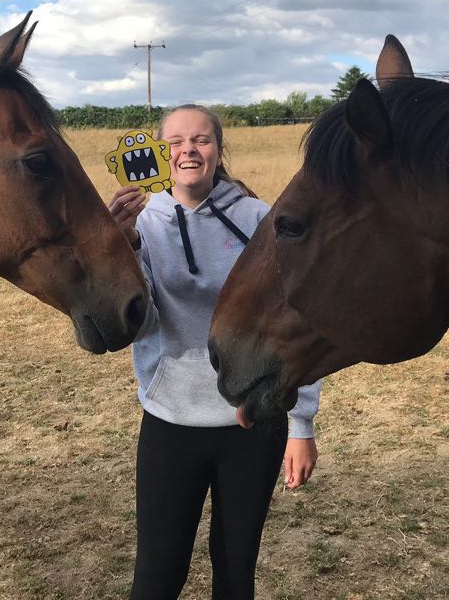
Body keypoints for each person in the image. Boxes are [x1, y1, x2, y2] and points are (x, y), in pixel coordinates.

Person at [108, 104, 321, 600]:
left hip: (252, 422)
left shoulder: (260, 218)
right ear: (159, 151)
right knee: (157, 577)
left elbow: (298, 319)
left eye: (201, 140)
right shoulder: (144, 221)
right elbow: (143, 326)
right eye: (177, 141)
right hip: (170, 422)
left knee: (235, 573)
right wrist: (123, 247)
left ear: (219, 149)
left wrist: (301, 424)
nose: (189, 150)